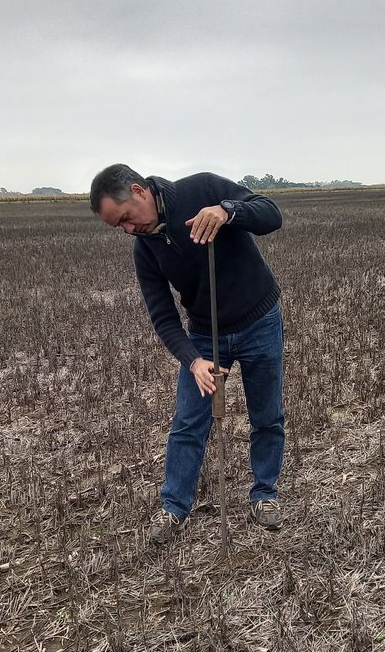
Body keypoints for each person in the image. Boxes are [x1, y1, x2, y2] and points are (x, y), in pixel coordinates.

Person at [90, 164, 285, 544]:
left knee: (267, 416)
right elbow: (162, 315)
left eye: (127, 218)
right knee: (188, 424)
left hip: (259, 318)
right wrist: (192, 361)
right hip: (204, 335)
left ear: (139, 191)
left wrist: (229, 211)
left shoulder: (203, 188)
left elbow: (270, 214)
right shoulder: (145, 248)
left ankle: (264, 495)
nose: (130, 230)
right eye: (120, 228)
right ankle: (174, 508)